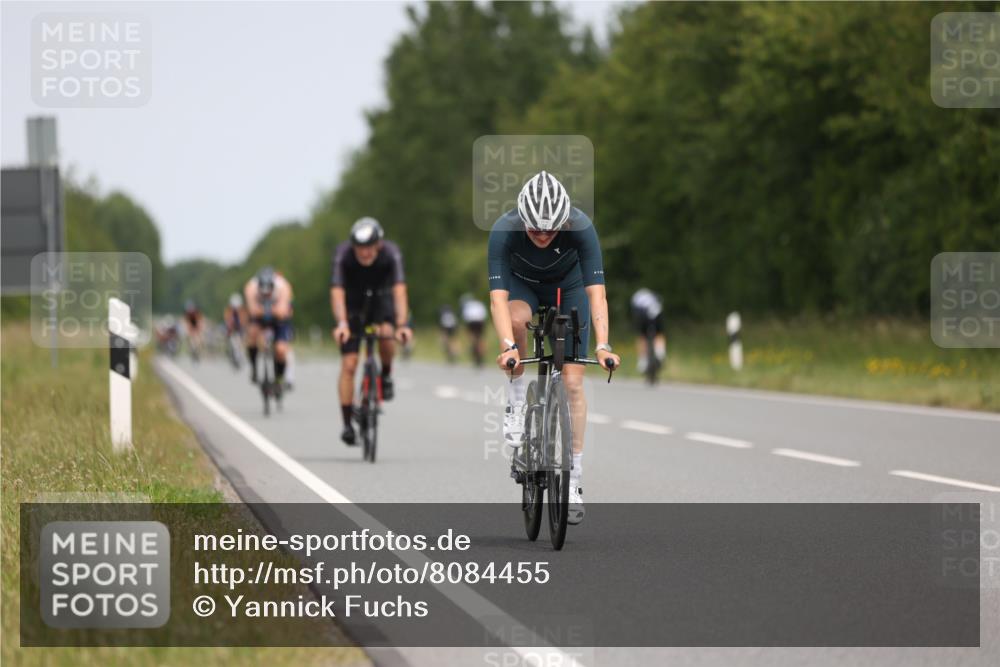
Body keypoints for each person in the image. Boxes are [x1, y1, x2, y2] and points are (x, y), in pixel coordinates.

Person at [488, 171, 620, 524]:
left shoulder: (582, 227)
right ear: (522, 220)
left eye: (551, 229)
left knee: (573, 384)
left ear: (564, 221)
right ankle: (517, 401)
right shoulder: (504, 230)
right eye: (535, 230)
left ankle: (573, 479)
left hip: (569, 288)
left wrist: (603, 345)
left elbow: (597, 294)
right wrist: (507, 346)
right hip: (523, 287)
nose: (544, 236)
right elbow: (498, 300)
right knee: (517, 321)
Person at [330, 217, 413, 445]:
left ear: (379, 244)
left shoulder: (391, 254)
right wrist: (342, 324)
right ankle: (347, 424)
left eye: (369, 247)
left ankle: (385, 375)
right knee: (349, 364)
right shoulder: (342, 255)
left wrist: (402, 325)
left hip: (381, 300)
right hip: (353, 304)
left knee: (387, 334)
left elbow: (399, 291)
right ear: (353, 246)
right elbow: (337, 291)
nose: (365, 252)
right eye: (360, 247)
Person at [244, 267, 295, 387]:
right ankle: (254, 367)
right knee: (252, 334)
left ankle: (279, 377)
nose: (266, 294)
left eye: (269, 292)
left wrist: (265, 310)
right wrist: (271, 310)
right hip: (261, 317)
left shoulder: (283, 286)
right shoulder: (251, 287)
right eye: (263, 292)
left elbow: (282, 312)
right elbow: (252, 311)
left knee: (280, 349)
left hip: (279, 320)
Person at [630, 288, 667, 373]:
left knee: (642, 336)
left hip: (643, 316)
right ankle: (660, 354)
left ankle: (642, 361)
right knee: (659, 334)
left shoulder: (636, 297)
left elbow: (636, 313)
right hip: (657, 313)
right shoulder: (652, 295)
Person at [459, 293, 488, 366]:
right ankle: (482, 353)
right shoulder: (479, 303)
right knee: (480, 338)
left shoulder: (466, 305)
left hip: (471, 321)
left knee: (471, 337)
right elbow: (484, 314)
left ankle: (474, 348)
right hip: (480, 321)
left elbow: (465, 317)